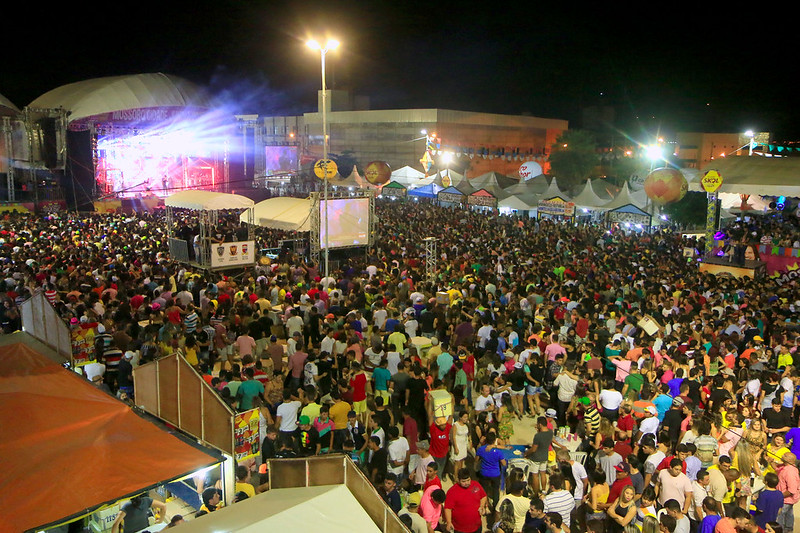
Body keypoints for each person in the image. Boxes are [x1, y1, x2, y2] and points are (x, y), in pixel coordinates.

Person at [445, 468, 488, 533]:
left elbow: (483, 496)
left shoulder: (476, 485)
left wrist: (482, 506)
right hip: (460, 529)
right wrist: (448, 522)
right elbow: (448, 508)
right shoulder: (452, 492)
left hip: (477, 526)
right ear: (458, 480)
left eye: (468, 480)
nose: (467, 483)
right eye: (463, 481)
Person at [476, 432, 506, 512]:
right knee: (495, 491)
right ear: (494, 441)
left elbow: (476, 460)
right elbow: (504, 463)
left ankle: (484, 507)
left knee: (483, 491)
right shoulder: (498, 452)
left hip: (484, 473)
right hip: (495, 474)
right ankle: (496, 508)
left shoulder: (481, 449)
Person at [527, 416, 553, 496]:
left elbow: (534, 449)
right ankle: (544, 490)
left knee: (535, 475)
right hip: (544, 456)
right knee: (543, 473)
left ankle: (536, 493)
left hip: (536, 458)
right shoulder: (550, 432)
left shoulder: (537, 436)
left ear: (540, 425)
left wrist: (527, 453)